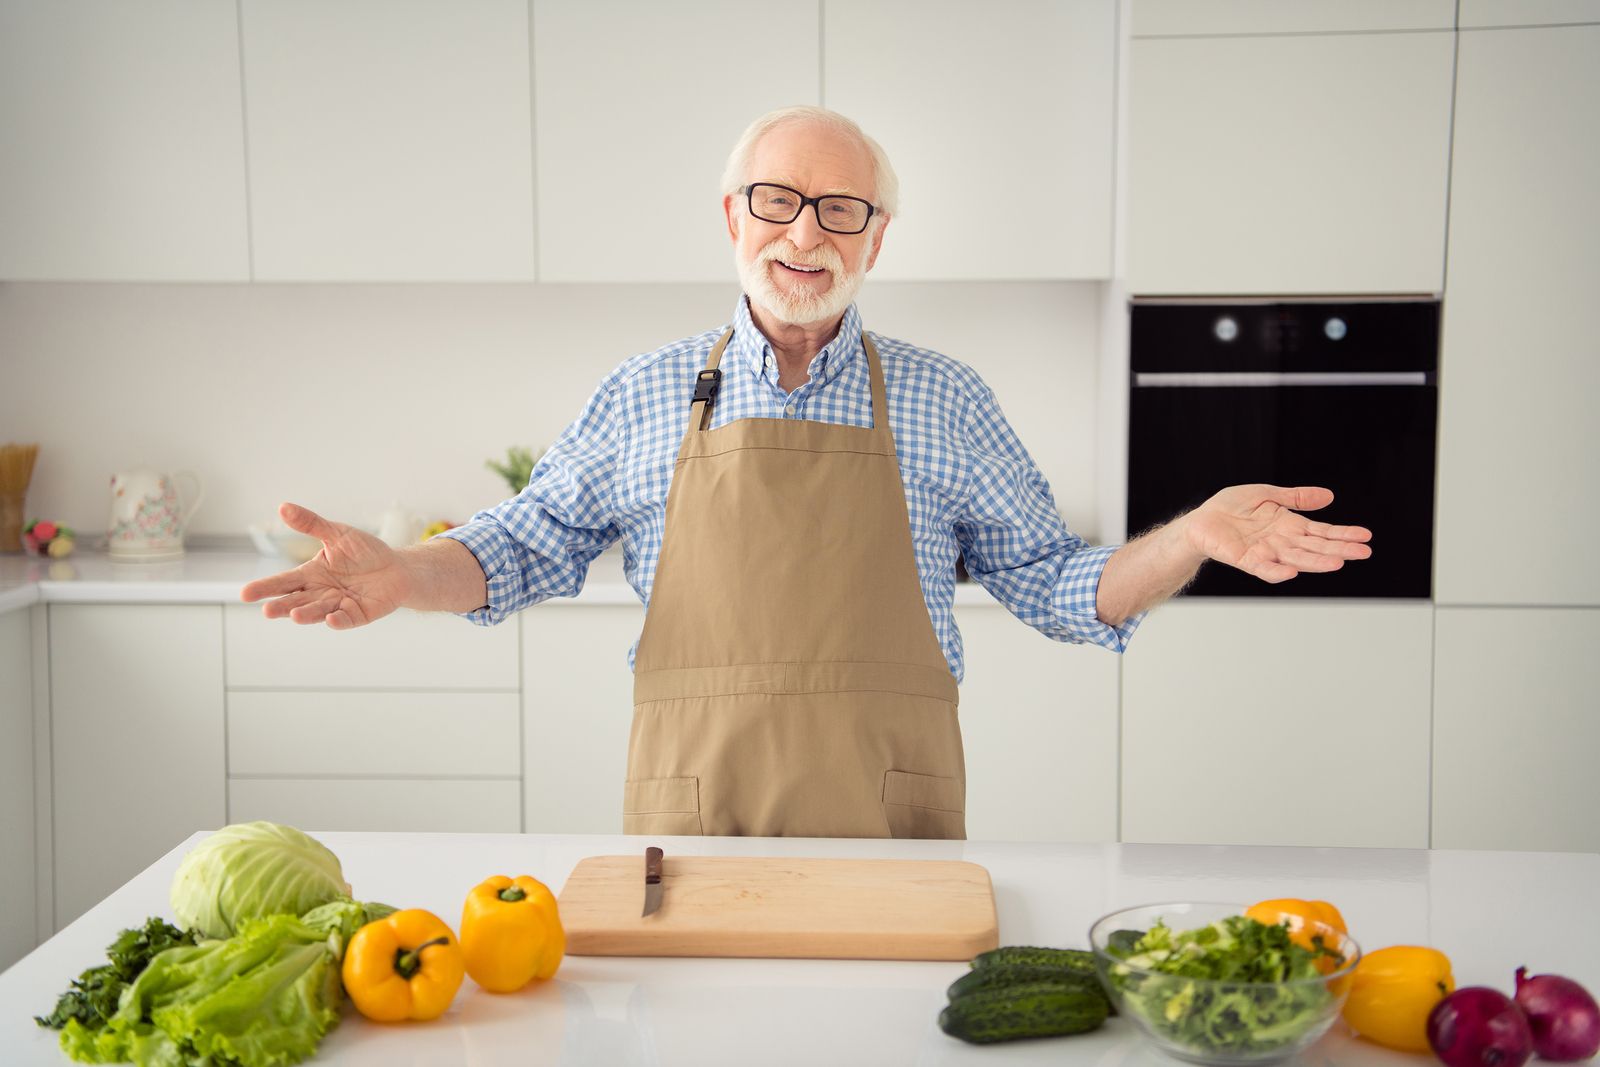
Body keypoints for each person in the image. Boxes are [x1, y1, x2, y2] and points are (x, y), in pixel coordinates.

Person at [241, 106, 1372, 840]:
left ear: (876, 239)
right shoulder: (643, 390)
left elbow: (1056, 585)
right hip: (689, 815)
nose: (806, 233)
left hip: (891, 820)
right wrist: (404, 574)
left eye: (842, 209)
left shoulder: (946, 398)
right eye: (778, 199)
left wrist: (1187, 537)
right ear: (733, 217)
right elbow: (522, 548)